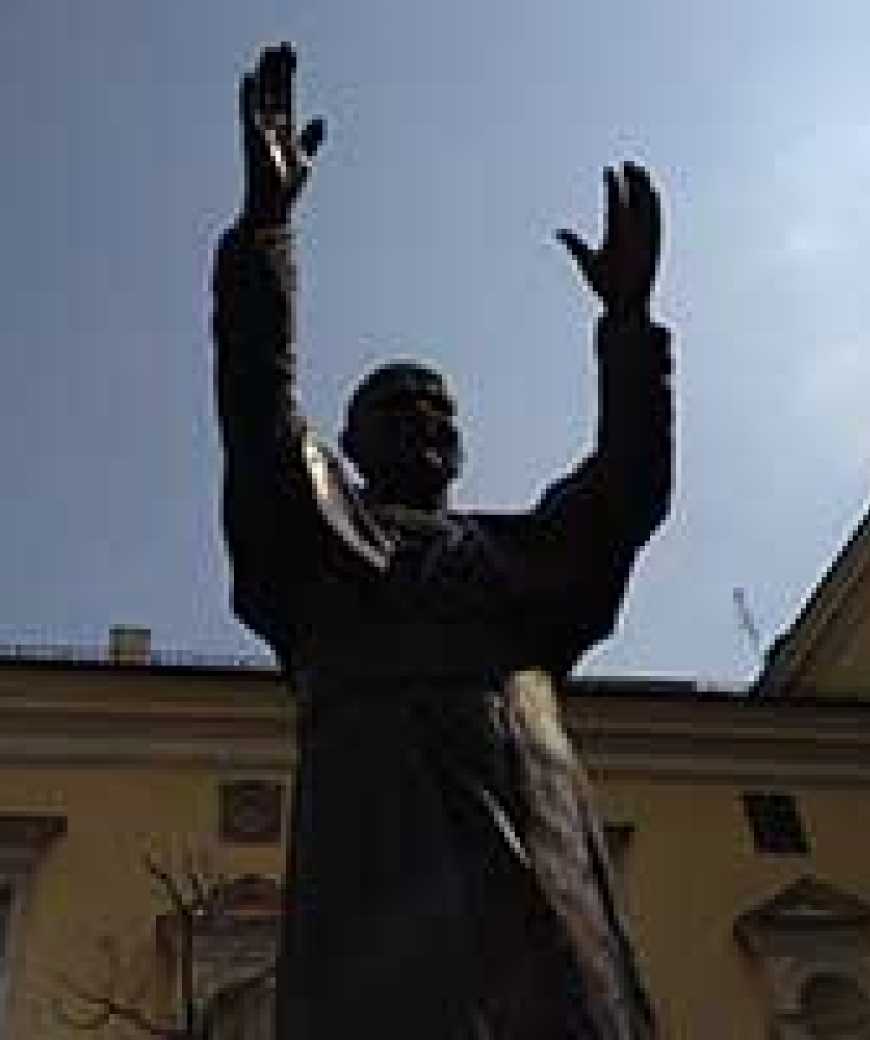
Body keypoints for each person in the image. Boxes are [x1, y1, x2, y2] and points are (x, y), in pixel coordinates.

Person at [213, 43, 672, 1040]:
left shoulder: (520, 554)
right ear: (355, 439)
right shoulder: (315, 527)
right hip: (379, 824)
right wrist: (266, 229)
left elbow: (626, 491)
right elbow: (255, 404)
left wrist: (628, 326)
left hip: (539, 811)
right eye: (399, 405)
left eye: (441, 407)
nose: (427, 420)